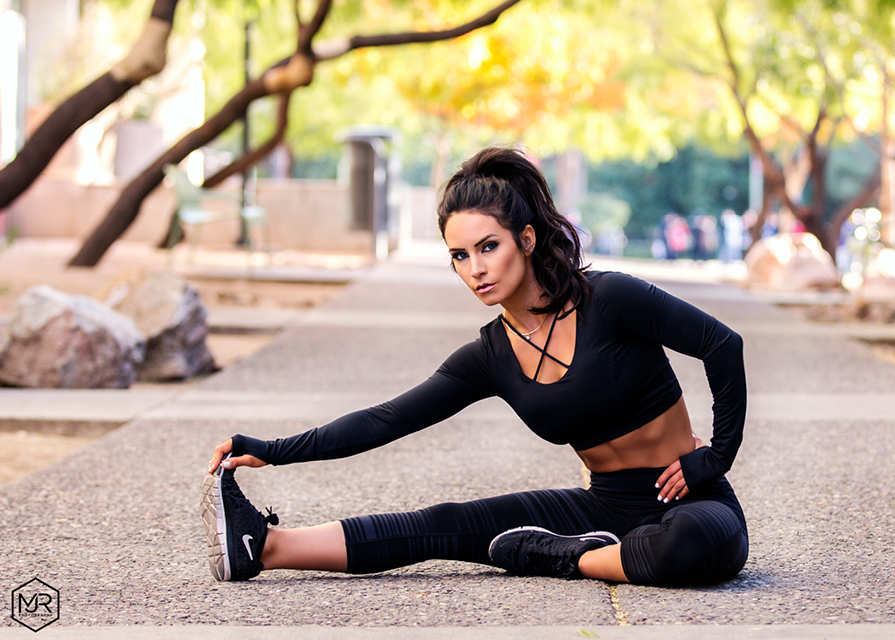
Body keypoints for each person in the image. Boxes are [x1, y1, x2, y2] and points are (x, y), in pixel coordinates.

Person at [201, 147, 749, 587]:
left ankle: (564, 559)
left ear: (526, 239)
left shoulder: (608, 300)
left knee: (687, 546)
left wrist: (714, 457)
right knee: (446, 524)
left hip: (693, 501)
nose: (476, 269)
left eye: (488, 247)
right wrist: (274, 450)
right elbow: (386, 420)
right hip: (602, 507)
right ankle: (265, 547)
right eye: (460, 256)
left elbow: (722, 345)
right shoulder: (489, 355)